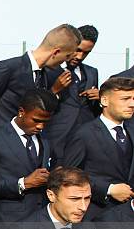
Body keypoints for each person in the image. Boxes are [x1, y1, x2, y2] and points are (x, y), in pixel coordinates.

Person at [0, 24, 81, 135]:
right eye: (67, 56)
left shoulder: (46, 76)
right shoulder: (9, 68)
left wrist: (53, 93)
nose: (65, 61)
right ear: (56, 52)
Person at [0, 89, 57, 222]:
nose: (41, 126)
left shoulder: (45, 139)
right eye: (36, 120)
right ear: (21, 112)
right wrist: (22, 184)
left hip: (42, 220)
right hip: (10, 222)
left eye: (45, 122)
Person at [62, 77, 134, 219]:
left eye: (133, 99)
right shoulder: (83, 134)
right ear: (104, 101)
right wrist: (108, 189)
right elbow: (69, 174)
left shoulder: (132, 130)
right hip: (97, 215)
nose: (132, 104)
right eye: (125, 99)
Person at [44, 25, 102, 160]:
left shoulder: (92, 72)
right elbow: (37, 104)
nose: (80, 56)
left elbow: (94, 110)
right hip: (56, 140)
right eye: (78, 50)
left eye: (86, 53)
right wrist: (54, 90)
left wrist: (101, 98)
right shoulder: (49, 69)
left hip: (85, 141)